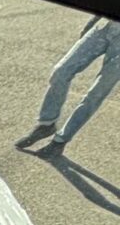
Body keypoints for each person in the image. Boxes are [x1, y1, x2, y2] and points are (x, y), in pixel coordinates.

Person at [16, 17, 120, 154]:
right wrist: (92, 21)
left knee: (96, 93)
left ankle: (60, 140)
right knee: (61, 71)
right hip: (104, 26)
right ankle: (46, 124)